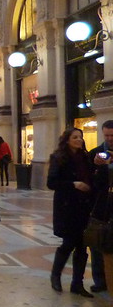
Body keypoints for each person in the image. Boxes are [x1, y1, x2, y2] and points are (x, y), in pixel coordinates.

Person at [47, 127, 94, 296]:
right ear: (67, 140)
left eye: (80, 137)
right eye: (75, 137)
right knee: (68, 243)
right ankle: (55, 276)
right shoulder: (59, 158)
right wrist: (74, 184)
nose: (79, 140)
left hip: (84, 207)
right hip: (67, 207)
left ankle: (77, 284)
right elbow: (51, 183)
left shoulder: (86, 158)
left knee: (82, 247)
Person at [88, 119, 113, 293]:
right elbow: (92, 182)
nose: (110, 139)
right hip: (101, 205)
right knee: (97, 243)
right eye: (107, 135)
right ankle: (100, 280)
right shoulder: (95, 153)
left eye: (112, 135)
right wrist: (97, 168)